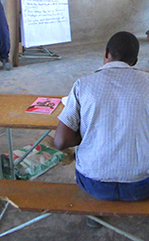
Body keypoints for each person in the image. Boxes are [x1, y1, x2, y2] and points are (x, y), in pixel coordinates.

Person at [54, 32, 149, 209]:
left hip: (94, 184)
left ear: (106, 53)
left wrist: (88, 135)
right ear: (135, 61)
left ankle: (95, 213)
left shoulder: (83, 85)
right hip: (142, 184)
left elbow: (60, 141)